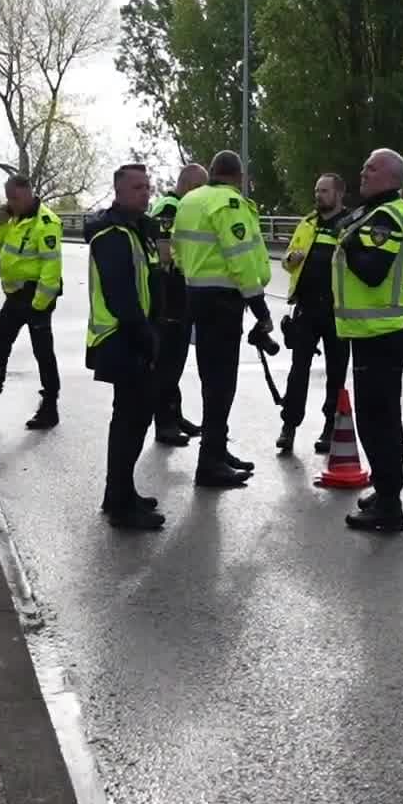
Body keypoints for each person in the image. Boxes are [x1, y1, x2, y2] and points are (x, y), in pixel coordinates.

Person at [171, 150, 271, 488]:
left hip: (196, 298)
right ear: (238, 177)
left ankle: (216, 449)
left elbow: (177, 250)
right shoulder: (229, 204)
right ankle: (210, 462)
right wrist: (260, 309)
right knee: (221, 384)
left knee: (209, 380)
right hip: (223, 303)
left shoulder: (189, 201)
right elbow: (240, 258)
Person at [341, 149, 403, 533]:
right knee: (381, 418)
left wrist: (349, 241)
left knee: (377, 422)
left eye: (371, 167)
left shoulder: (386, 217)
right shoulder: (389, 212)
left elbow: (372, 272)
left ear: (390, 177)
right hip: (382, 330)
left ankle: (389, 504)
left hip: (380, 333)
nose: (363, 171)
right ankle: (386, 491)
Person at [86, 163, 165, 531]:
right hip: (122, 338)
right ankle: (120, 504)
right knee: (130, 422)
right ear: (117, 191)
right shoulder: (113, 235)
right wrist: (145, 337)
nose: (145, 193)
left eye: (147, 187)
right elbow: (121, 296)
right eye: (137, 188)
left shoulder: (136, 231)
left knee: (132, 419)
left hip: (133, 336)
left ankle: (120, 492)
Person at [0, 174, 64, 430]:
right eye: (8, 198)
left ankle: (50, 406)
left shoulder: (46, 222)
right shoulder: (16, 219)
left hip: (36, 295)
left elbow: (51, 268)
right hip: (16, 296)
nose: (11, 202)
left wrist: (38, 306)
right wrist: (0, 222)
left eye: (15, 198)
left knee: (43, 351)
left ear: (29, 192)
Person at [276, 173, 350, 455]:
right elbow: (287, 259)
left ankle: (330, 428)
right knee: (298, 371)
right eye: (317, 190)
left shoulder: (348, 226)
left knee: (336, 373)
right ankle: (289, 426)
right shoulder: (307, 223)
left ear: (339, 194)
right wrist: (289, 260)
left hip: (337, 310)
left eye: (324, 191)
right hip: (306, 308)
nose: (318, 195)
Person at [149, 163, 208, 445]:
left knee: (176, 361)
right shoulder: (170, 207)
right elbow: (164, 253)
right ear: (187, 184)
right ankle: (164, 424)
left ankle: (175, 415)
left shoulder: (177, 206)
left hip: (178, 295)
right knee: (167, 364)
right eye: (198, 188)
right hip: (168, 295)